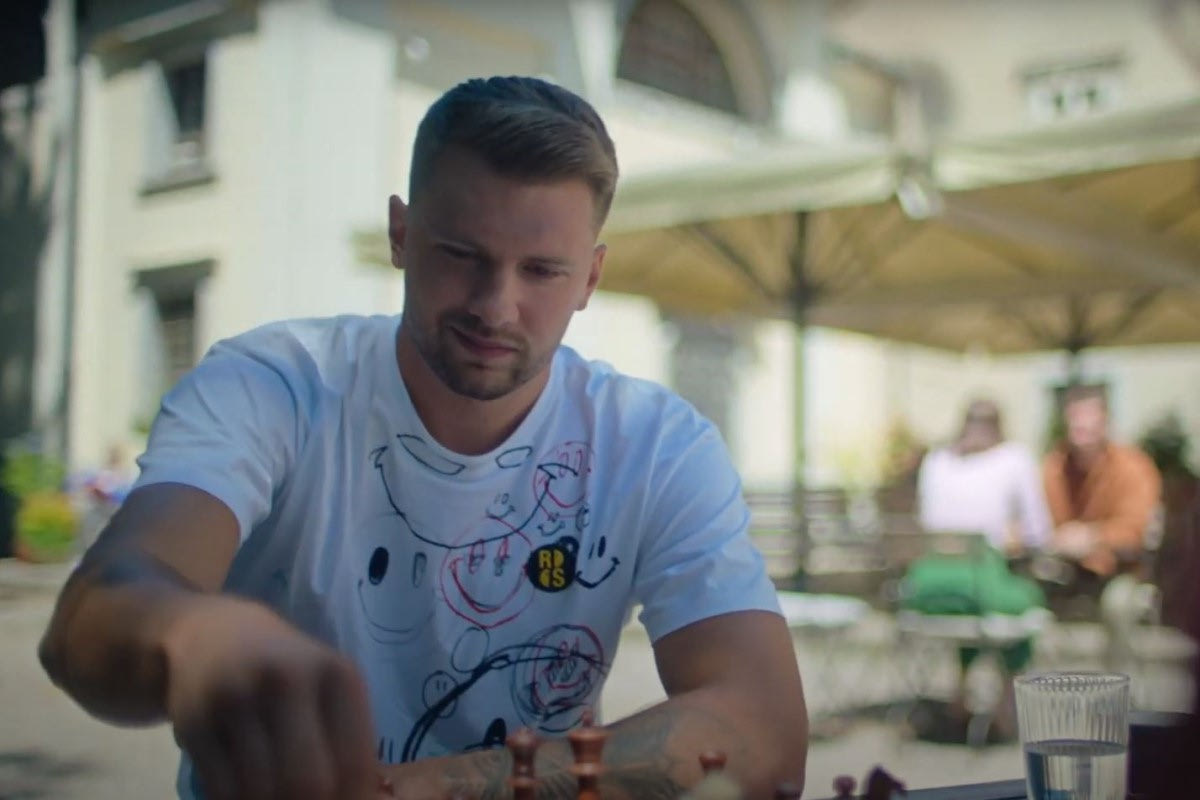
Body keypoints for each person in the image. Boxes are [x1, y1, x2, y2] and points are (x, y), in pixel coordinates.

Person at [37, 76, 807, 800]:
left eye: (541, 271)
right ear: (401, 234)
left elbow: (766, 733)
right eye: (461, 255)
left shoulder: (655, 445)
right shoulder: (275, 385)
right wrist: (186, 635)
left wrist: (418, 788)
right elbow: (89, 619)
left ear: (590, 279)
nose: (495, 306)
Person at [906, 399, 1051, 741]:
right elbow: (1038, 532)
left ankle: (961, 693)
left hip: (925, 591)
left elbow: (927, 520)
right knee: (1025, 601)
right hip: (980, 587)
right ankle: (1006, 704)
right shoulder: (1014, 458)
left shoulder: (936, 460)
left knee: (976, 600)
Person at [1042, 384, 1161, 581]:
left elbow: (1137, 530)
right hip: (1063, 569)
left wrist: (1092, 536)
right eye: (1076, 419)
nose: (1083, 426)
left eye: (1090, 419)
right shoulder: (1055, 467)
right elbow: (1042, 523)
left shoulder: (1133, 467)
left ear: (1105, 421)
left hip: (1121, 569)